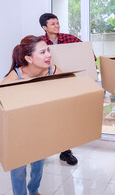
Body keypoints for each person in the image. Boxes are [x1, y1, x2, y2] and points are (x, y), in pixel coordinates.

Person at [0, 35, 62, 195]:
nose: (49, 55)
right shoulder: (16, 76)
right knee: (18, 170)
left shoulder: (53, 70)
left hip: (39, 127)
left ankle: (34, 190)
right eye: (43, 52)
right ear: (28, 58)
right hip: (17, 130)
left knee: (38, 166)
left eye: (48, 50)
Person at [39, 12, 81, 166]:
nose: (57, 26)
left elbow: (87, 53)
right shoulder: (39, 43)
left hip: (65, 84)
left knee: (65, 118)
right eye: (52, 24)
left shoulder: (69, 38)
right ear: (44, 27)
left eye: (57, 23)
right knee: (45, 118)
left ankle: (65, 151)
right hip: (46, 85)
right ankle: (40, 152)